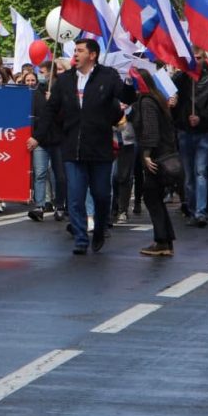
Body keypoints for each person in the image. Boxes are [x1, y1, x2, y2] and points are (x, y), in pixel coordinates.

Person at [34, 38, 137, 255]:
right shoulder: (65, 80)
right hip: (73, 148)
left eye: (80, 51)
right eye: (75, 51)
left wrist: (129, 84)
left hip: (100, 149)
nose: (76, 54)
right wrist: (37, 136)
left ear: (92, 55)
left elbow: (126, 96)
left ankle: (99, 229)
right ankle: (80, 239)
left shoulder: (108, 76)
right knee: (75, 196)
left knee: (101, 195)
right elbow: (50, 110)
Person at [171, 47, 208, 227]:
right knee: (188, 176)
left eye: (198, 58)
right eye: (192, 58)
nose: (195, 61)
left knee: (201, 172)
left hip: (204, 133)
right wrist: (172, 104)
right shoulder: (179, 79)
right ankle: (191, 208)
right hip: (184, 132)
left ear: (205, 60)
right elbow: (170, 104)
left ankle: (201, 212)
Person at [131, 68, 178, 256]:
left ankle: (162, 241)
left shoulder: (147, 101)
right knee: (155, 197)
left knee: (151, 196)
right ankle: (165, 239)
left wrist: (147, 154)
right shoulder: (156, 99)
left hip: (156, 157)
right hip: (164, 153)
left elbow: (150, 129)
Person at [25, 70, 65, 223]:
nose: (42, 76)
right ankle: (39, 206)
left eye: (44, 72)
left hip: (58, 141)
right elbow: (35, 118)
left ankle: (60, 206)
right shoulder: (35, 94)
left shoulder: (61, 92)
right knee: (40, 173)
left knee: (59, 176)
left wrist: (56, 104)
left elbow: (65, 116)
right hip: (41, 141)